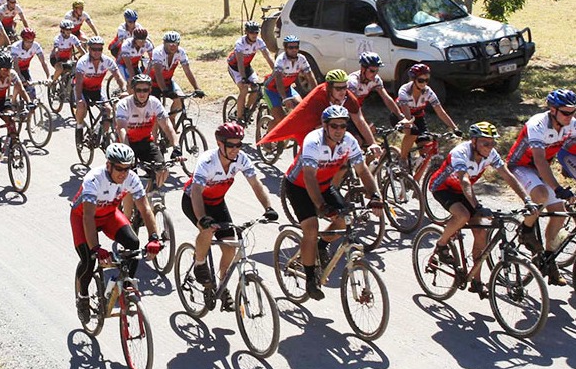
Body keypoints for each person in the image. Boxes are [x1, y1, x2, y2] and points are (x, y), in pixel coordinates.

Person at [284, 105, 384, 300]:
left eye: (343, 125)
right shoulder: (313, 141)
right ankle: (311, 278)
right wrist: (322, 206)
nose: (339, 130)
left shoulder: (349, 141)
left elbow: (363, 171)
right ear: (325, 125)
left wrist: (375, 196)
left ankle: (321, 245)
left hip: (323, 185)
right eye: (334, 126)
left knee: (343, 220)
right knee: (311, 229)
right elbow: (309, 177)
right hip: (299, 186)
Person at [429, 122, 537, 297]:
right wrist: (477, 207)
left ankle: (476, 280)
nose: (490, 147)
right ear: (473, 141)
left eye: (492, 143)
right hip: (443, 188)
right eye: (485, 143)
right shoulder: (460, 153)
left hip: (464, 191)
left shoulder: (491, 154)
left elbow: (508, 176)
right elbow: (464, 181)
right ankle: (441, 244)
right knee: (463, 215)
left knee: (481, 233)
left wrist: (527, 199)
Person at [183, 122, 277, 309]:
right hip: (194, 201)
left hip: (217, 203)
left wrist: (268, 207)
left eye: (239, 144)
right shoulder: (207, 161)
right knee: (207, 230)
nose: (235, 149)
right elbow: (196, 193)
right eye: (231, 145)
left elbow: (256, 184)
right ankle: (200, 263)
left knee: (229, 246)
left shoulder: (241, 159)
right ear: (220, 144)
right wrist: (202, 218)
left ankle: (222, 284)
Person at [71, 143, 162, 323]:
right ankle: (82, 297)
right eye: (119, 168)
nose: (123, 173)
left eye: (127, 168)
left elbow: (145, 209)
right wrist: (96, 248)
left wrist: (154, 238)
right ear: (108, 166)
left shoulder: (131, 178)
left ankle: (127, 286)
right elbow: (88, 217)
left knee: (133, 245)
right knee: (89, 260)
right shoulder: (93, 179)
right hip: (83, 219)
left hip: (109, 215)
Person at [506, 89, 576, 286]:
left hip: (539, 169)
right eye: (566, 112)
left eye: (573, 112)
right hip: (520, 166)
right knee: (541, 195)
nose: (570, 116)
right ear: (552, 110)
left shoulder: (571, 125)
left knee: (559, 212)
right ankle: (526, 230)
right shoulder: (537, 125)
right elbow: (540, 161)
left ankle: (548, 258)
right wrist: (558, 188)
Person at [258, 69, 381, 158]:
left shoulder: (349, 98)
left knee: (356, 141)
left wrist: (373, 144)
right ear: (329, 88)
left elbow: (360, 120)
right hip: (314, 124)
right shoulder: (319, 97)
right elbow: (319, 128)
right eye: (338, 88)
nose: (343, 92)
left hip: (335, 122)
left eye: (344, 88)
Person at [115, 74, 180, 189]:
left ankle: (150, 195)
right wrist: (127, 152)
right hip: (127, 143)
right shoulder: (124, 104)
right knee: (129, 178)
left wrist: (176, 146)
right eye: (138, 90)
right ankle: (127, 202)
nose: (142, 93)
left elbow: (166, 125)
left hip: (145, 142)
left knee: (162, 170)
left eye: (145, 90)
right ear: (133, 90)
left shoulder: (154, 103)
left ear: (150, 90)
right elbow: (121, 128)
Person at [395, 63, 462, 169]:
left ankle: (414, 178)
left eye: (427, 80)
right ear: (413, 79)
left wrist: (455, 128)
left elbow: (440, 112)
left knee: (426, 149)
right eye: (421, 80)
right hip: (401, 117)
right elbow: (407, 117)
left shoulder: (427, 91)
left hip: (418, 117)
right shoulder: (404, 91)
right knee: (412, 133)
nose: (424, 83)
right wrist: (410, 125)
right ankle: (402, 158)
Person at [74, 36, 125, 146]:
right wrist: (79, 99)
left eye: (100, 49)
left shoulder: (107, 61)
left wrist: (124, 90)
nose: (97, 52)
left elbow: (119, 78)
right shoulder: (83, 62)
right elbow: (78, 83)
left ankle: (100, 135)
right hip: (82, 89)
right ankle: (79, 127)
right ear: (89, 49)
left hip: (96, 89)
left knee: (108, 110)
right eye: (94, 49)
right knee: (82, 107)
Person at [0, 52, 33, 158]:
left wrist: (29, 102)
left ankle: (14, 146)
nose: (6, 72)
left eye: (8, 69)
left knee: (11, 122)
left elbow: (20, 88)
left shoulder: (12, 74)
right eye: (4, 69)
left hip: (2, 100)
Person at [149, 31, 205, 125]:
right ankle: (154, 137)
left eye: (175, 44)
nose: (173, 46)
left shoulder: (180, 52)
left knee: (180, 98)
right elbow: (158, 73)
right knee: (156, 113)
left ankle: (171, 120)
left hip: (167, 81)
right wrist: (164, 90)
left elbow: (187, 71)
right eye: (170, 44)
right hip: (153, 83)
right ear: (164, 44)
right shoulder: (158, 52)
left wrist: (197, 88)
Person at [263, 35, 316, 133]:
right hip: (272, 90)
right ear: (285, 48)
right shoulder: (281, 60)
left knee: (302, 109)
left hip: (287, 88)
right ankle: (267, 137)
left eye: (296, 47)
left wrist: (316, 93)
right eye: (291, 47)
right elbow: (278, 80)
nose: (294, 50)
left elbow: (310, 77)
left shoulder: (301, 59)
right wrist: (285, 98)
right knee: (280, 118)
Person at [347, 52, 402, 146]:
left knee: (368, 141)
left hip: (356, 112)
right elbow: (352, 107)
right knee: (358, 141)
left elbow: (386, 98)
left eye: (377, 71)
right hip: (346, 113)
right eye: (372, 71)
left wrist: (400, 116)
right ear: (363, 69)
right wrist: (365, 123)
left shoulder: (375, 80)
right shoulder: (353, 82)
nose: (375, 74)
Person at [227, 21, 275, 123]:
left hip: (247, 66)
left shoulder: (259, 41)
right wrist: (244, 78)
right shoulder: (240, 43)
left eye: (256, 33)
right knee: (244, 89)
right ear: (246, 32)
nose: (254, 35)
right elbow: (239, 62)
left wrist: (277, 72)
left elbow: (268, 57)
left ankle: (246, 109)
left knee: (256, 88)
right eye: (251, 32)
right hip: (235, 67)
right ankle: (239, 118)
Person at [10, 27, 50, 100]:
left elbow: (43, 62)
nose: (30, 44)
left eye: (31, 41)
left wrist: (48, 76)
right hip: (13, 70)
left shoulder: (36, 46)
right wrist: (21, 78)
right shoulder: (15, 47)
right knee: (19, 85)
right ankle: (13, 101)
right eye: (28, 41)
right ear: (23, 40)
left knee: (32, 93)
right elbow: (15, 66)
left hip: (24, 69)